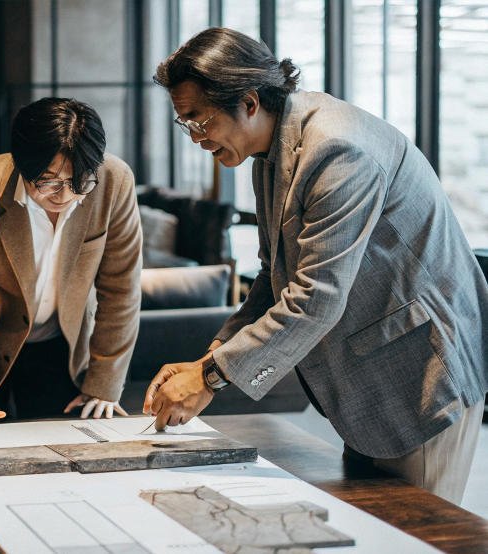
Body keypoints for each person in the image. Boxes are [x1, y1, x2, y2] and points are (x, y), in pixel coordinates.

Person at [144, 27, 488, 503]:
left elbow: (316, 298)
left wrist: (210, 378)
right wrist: (209, 360)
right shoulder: (271, 150)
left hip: (421, 375)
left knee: (418, 534)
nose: (196, 139)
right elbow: (274, 277)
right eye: (186, 124)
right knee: (373, 529)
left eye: (198, 121)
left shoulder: (337, 149)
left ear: (248, 102)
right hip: (368, 380)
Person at [0, 97, 142, 430]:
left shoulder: (114, 182)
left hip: (61, 344)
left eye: (80, 182)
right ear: (22, 165)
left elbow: (121, 289)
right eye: (49, 182)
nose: (65, 196)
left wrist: (104, 384)